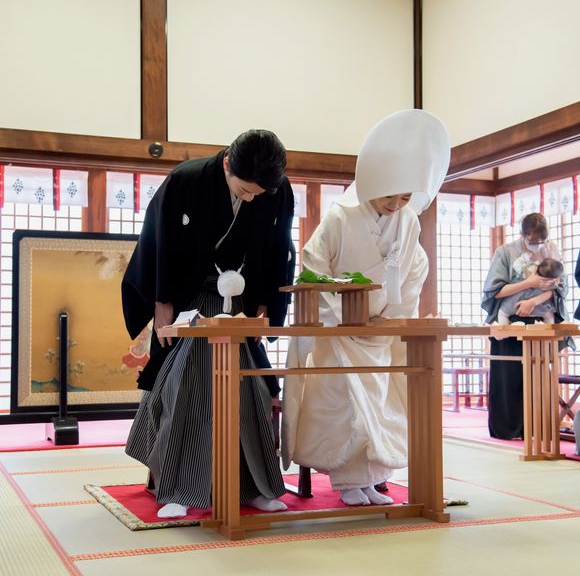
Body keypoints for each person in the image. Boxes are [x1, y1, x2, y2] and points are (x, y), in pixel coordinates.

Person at [122, 129, 295, 517]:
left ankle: (252, 487)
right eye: (244, 190)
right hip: (191, 299)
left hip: (241, 304)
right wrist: (162, 301)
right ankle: (180, 489)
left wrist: (266, 302)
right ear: (227, 164)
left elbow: (278, 247)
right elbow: (158, 240)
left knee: (251, 392)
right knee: (190, 386)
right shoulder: (187, 179)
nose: (249, 199)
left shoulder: (277, 189)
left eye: (257, 195)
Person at [282, 109, 450, 506]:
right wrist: (342, 318)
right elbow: (313, 268)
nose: (396, 204)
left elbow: (414, 271)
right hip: (339, 330)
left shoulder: (409, 222)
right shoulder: (340, 218)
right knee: (346, 404)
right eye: (390, 195)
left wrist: (388, 320)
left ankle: (372, 480)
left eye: (405, 198)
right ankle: (347, 483)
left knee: (381, 404)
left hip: (380, 332)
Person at [482, 213, 571, 440]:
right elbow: (495, 291)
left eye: (542, 241)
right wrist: (529, 283)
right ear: (523, 234)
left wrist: (534, 300)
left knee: (538, 378)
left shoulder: (552, 250)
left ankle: (537, 428)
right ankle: (508, 429)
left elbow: (561, 288)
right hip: (511, 321)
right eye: (533, 241)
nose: (538, 245)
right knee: (509, 377)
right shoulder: (505, 252)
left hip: (540, 321)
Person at [496, 257, 564, 325]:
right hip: (540, 308)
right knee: (549, 315)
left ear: (537, 268)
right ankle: (547, 329)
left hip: (516, 303)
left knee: (502, 313)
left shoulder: (531, 272)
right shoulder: (552, 283)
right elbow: (559, 289)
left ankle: (504, 329)